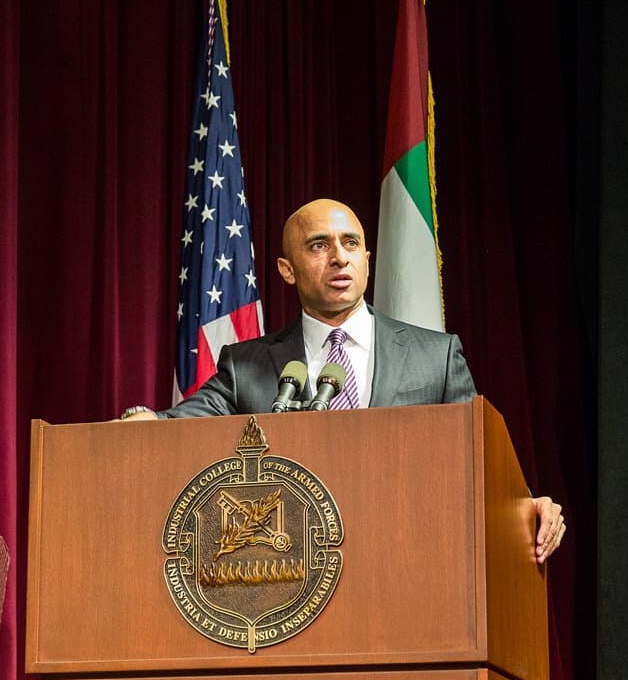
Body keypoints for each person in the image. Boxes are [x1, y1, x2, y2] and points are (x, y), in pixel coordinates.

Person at [121, 198, 567, 563]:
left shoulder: (437, 356)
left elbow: (483, 463)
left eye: (350, 243)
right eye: (319, 245)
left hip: (409, 565)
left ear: (367, 260)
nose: (339, 257)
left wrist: (527, 505)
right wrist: (143, 421)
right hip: (293, 576)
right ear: (287, 269)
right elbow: (176, 426)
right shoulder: (247, 366)